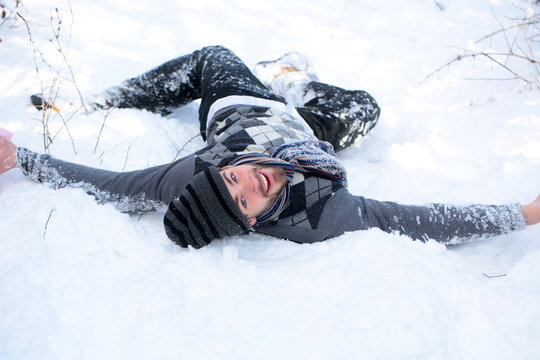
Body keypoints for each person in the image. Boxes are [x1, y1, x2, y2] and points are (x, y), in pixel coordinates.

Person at [1, 45, 539, 249]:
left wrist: (20, 157)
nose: (246, 182)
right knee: (365, 108)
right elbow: (424, 222)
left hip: (243, 103)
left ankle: (96, 102)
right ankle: (288, 75)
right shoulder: (322, 213)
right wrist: (525, 214)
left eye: (230, 178)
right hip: (308, 134)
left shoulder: (196, 169)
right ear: (252, 222)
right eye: (241, 201)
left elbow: (114, 188)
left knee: (211, 54)